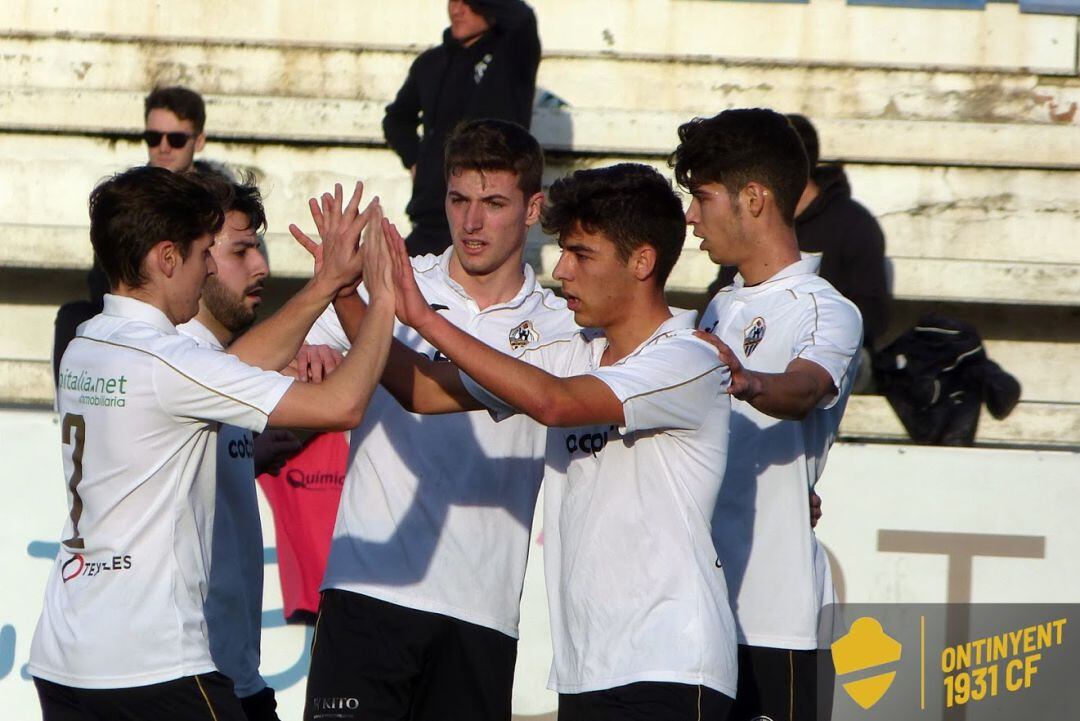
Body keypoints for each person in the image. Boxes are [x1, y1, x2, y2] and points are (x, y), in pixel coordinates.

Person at [28, 165, 397, 721]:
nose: (207, 273)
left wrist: (323, 287)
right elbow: (342, 404)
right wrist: (385, 300)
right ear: (167, 258)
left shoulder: (89, 341)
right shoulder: (169, 362)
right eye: (206, 254)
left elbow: (225, 370)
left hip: (65, 655)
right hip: (152, 665)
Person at [378, 162, 739, 720]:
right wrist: (345, 291)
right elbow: (420, 392)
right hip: (586, 670)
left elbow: (554, 404)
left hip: (672, 665)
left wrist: (424, 318)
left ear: (643, 261)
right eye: (563, 252)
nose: (562, 271)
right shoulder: (575, 352)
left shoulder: (687, 358)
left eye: (581, 254)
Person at [295, 119, 577, 721]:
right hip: (367, 589)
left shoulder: (564, 322)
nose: (471, 223)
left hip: (481, 608)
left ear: (533, 210)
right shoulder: (390, 284)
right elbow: (297, 357)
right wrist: (309, 349)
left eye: (494, 203)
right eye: (459, 200)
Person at [671, 108, 863, 721]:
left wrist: (746, 380)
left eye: (702, 196)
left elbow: (805, 389)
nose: (690, 216)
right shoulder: (716, 309)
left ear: (752, 199)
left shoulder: (825, 309)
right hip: (699, 619)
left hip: (776, 623)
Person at [176, 173, 302, 721]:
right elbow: (343, 405)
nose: (262, 267)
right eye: (242, 249)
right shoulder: (179, 360)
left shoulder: (218, 364)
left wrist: (253, 454)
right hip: (189, 679)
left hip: (234, 672)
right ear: (195, 256)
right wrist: (333, 287)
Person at [709, 113, 888, 385]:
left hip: (834, 351)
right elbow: (721, 297)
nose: (691, 217)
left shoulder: (853, 223)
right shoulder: (747, 229)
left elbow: (873, 314)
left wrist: (799, 325)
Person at [383, 0, 540, 256]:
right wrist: (416, 160)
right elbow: (396, 119)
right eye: (453, 0)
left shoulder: (513, 54)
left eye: (469, 2)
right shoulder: (431, 63)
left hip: (492, 223)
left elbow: (522, 17)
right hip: (430, 220)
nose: (457, 10)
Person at [143, 86, 207, 173]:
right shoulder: (126, 186)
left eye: (177, 139)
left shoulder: (221, 186)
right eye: (153, 138)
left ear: (199, 142)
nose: (163, 149)